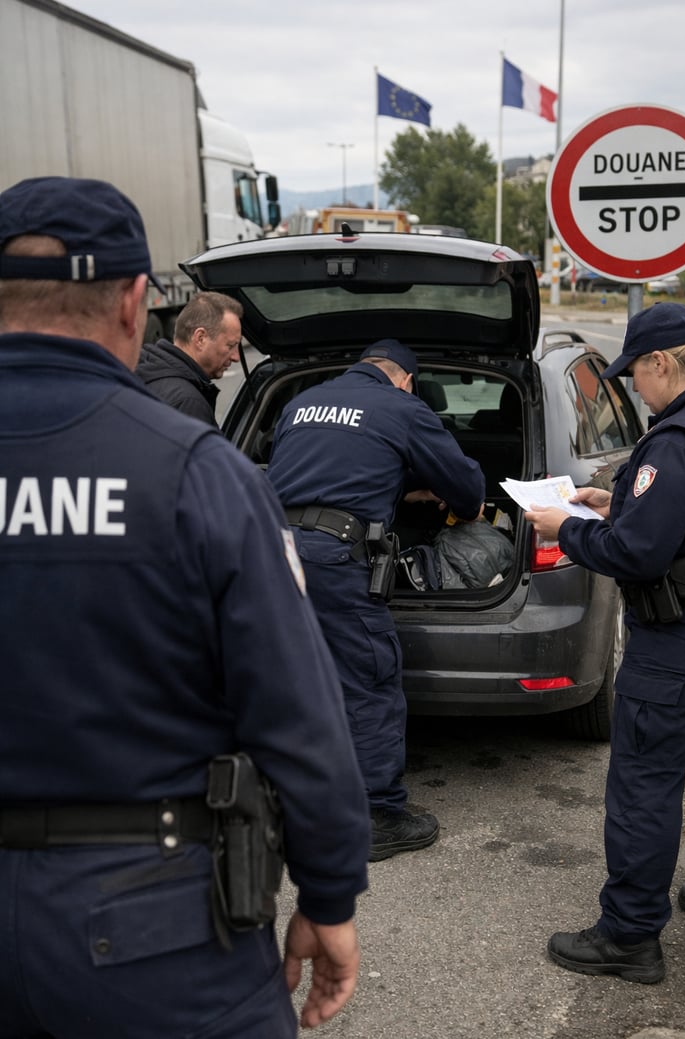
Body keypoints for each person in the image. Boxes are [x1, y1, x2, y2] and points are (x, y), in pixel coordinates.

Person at [0, 175, 370, 1037]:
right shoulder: (196, 472)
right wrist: (329, 890)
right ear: (137, 302)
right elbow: (299, 713)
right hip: (151, 932)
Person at [525, 302, 685, 984]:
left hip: (683, 633)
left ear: (663, 362)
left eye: (637, 374)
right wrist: (615, 500)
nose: (635, 385)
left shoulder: (677, 438)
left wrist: (562, 527)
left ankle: (629, 934)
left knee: (645, 781)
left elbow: (636, 553)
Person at [266, 338, 486, 861]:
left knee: (294, 680)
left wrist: (398, 488)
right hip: (333, 562)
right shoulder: (403, 407)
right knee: (369, 680)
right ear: (405, 379)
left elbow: (320, 473)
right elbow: (468, 490)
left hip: (271, 552)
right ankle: (376, 817)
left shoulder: (301, 402)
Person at [136, 290, 243, 426]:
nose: (236, 357)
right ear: (200, 338)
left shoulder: (147, 371)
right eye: (230, 345)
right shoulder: (189, 403)